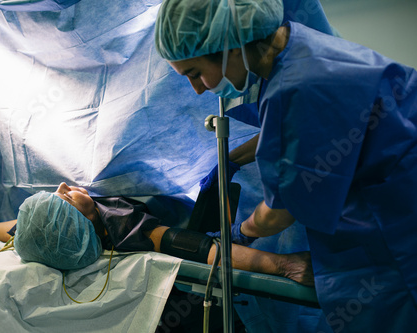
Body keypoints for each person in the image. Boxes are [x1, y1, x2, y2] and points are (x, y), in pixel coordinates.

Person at [154, 0, 417, 332]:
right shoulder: (299, 47)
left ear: (230, 46)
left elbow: (282, 209)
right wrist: (233, 158)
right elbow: (306, 136)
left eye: (195, 73)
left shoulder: (299, 86)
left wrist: (238, 233)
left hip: (400, 240)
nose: (197, 88)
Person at [0, 182, 313, 286]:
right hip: (178, 211)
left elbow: (15, 226)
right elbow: (205, 250)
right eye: (66, 200)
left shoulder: (44, 229)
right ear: (87, 225)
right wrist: (280, 264)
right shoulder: (125, 225)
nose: (62, 186)